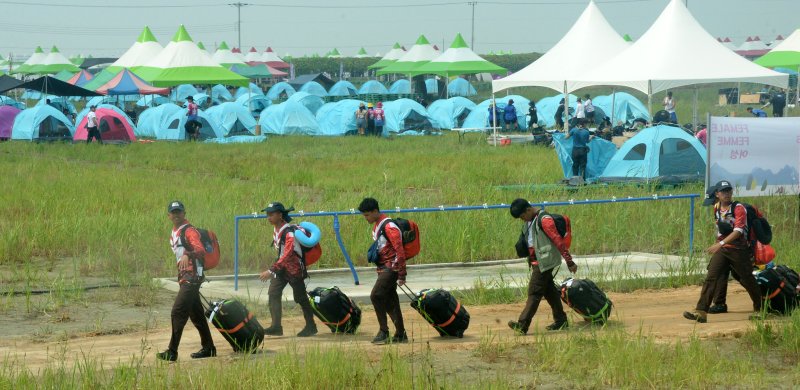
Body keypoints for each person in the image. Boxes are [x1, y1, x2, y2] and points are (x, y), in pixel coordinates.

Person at [683, 181, 763, 323]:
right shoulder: (717, 208)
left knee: (747, 279)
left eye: (728, 191)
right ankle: (701, 311)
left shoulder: (738, 208)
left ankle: (760, 309)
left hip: (739, 249)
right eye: (723, 191)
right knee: (711, 276)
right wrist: (719, 244)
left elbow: (738, 231)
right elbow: (720, 230)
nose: (727, 194)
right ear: (717, 194)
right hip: (724, 249)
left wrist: (719, 244)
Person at [157, 201, 217, 361]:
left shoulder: (189, 231)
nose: (176, 215)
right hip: (186, 276)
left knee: (177, 312)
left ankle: (172, 351)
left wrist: (187, 254)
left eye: (179, 212)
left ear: (184, 213)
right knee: (196, 314)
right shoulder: (175, 232)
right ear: (168, 215)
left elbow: (200, 249)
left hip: (192, 277)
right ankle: (209, 348)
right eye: (173, 212)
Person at [508, 199, 577, 334]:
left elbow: (558, 241)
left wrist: (569, 261)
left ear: (528, 210)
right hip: (537, 262)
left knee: (534, 292)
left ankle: (522, 325)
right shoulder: (530, 221)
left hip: (544, 263)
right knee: (550, 292)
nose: (522, 219)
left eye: (522, 216)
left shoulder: (545, 220)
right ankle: (561, 320)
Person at [258, 202, 317, 337]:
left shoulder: (289, 233)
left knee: (301, 298)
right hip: (282, 269)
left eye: (271, 214)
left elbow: (288, 254)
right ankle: (276, 327)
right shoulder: (276, 230)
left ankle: (311, 326)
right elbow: (282, 255)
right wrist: (275, 269)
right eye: (267, 214)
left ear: (280, 215)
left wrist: (271, 271)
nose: (268, 217)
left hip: (294, 270)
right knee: (273, 293)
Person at [358, 198, 407, 344]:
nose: (366, 218)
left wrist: (402, 273)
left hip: (391, 268)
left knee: (376, 295)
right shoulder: (378, 225)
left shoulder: (389, 227)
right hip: (384, 268)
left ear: (375, 211)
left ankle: (384, 332)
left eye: (367, 215)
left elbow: (400, 251)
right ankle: (401, 334)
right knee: (391, 300)